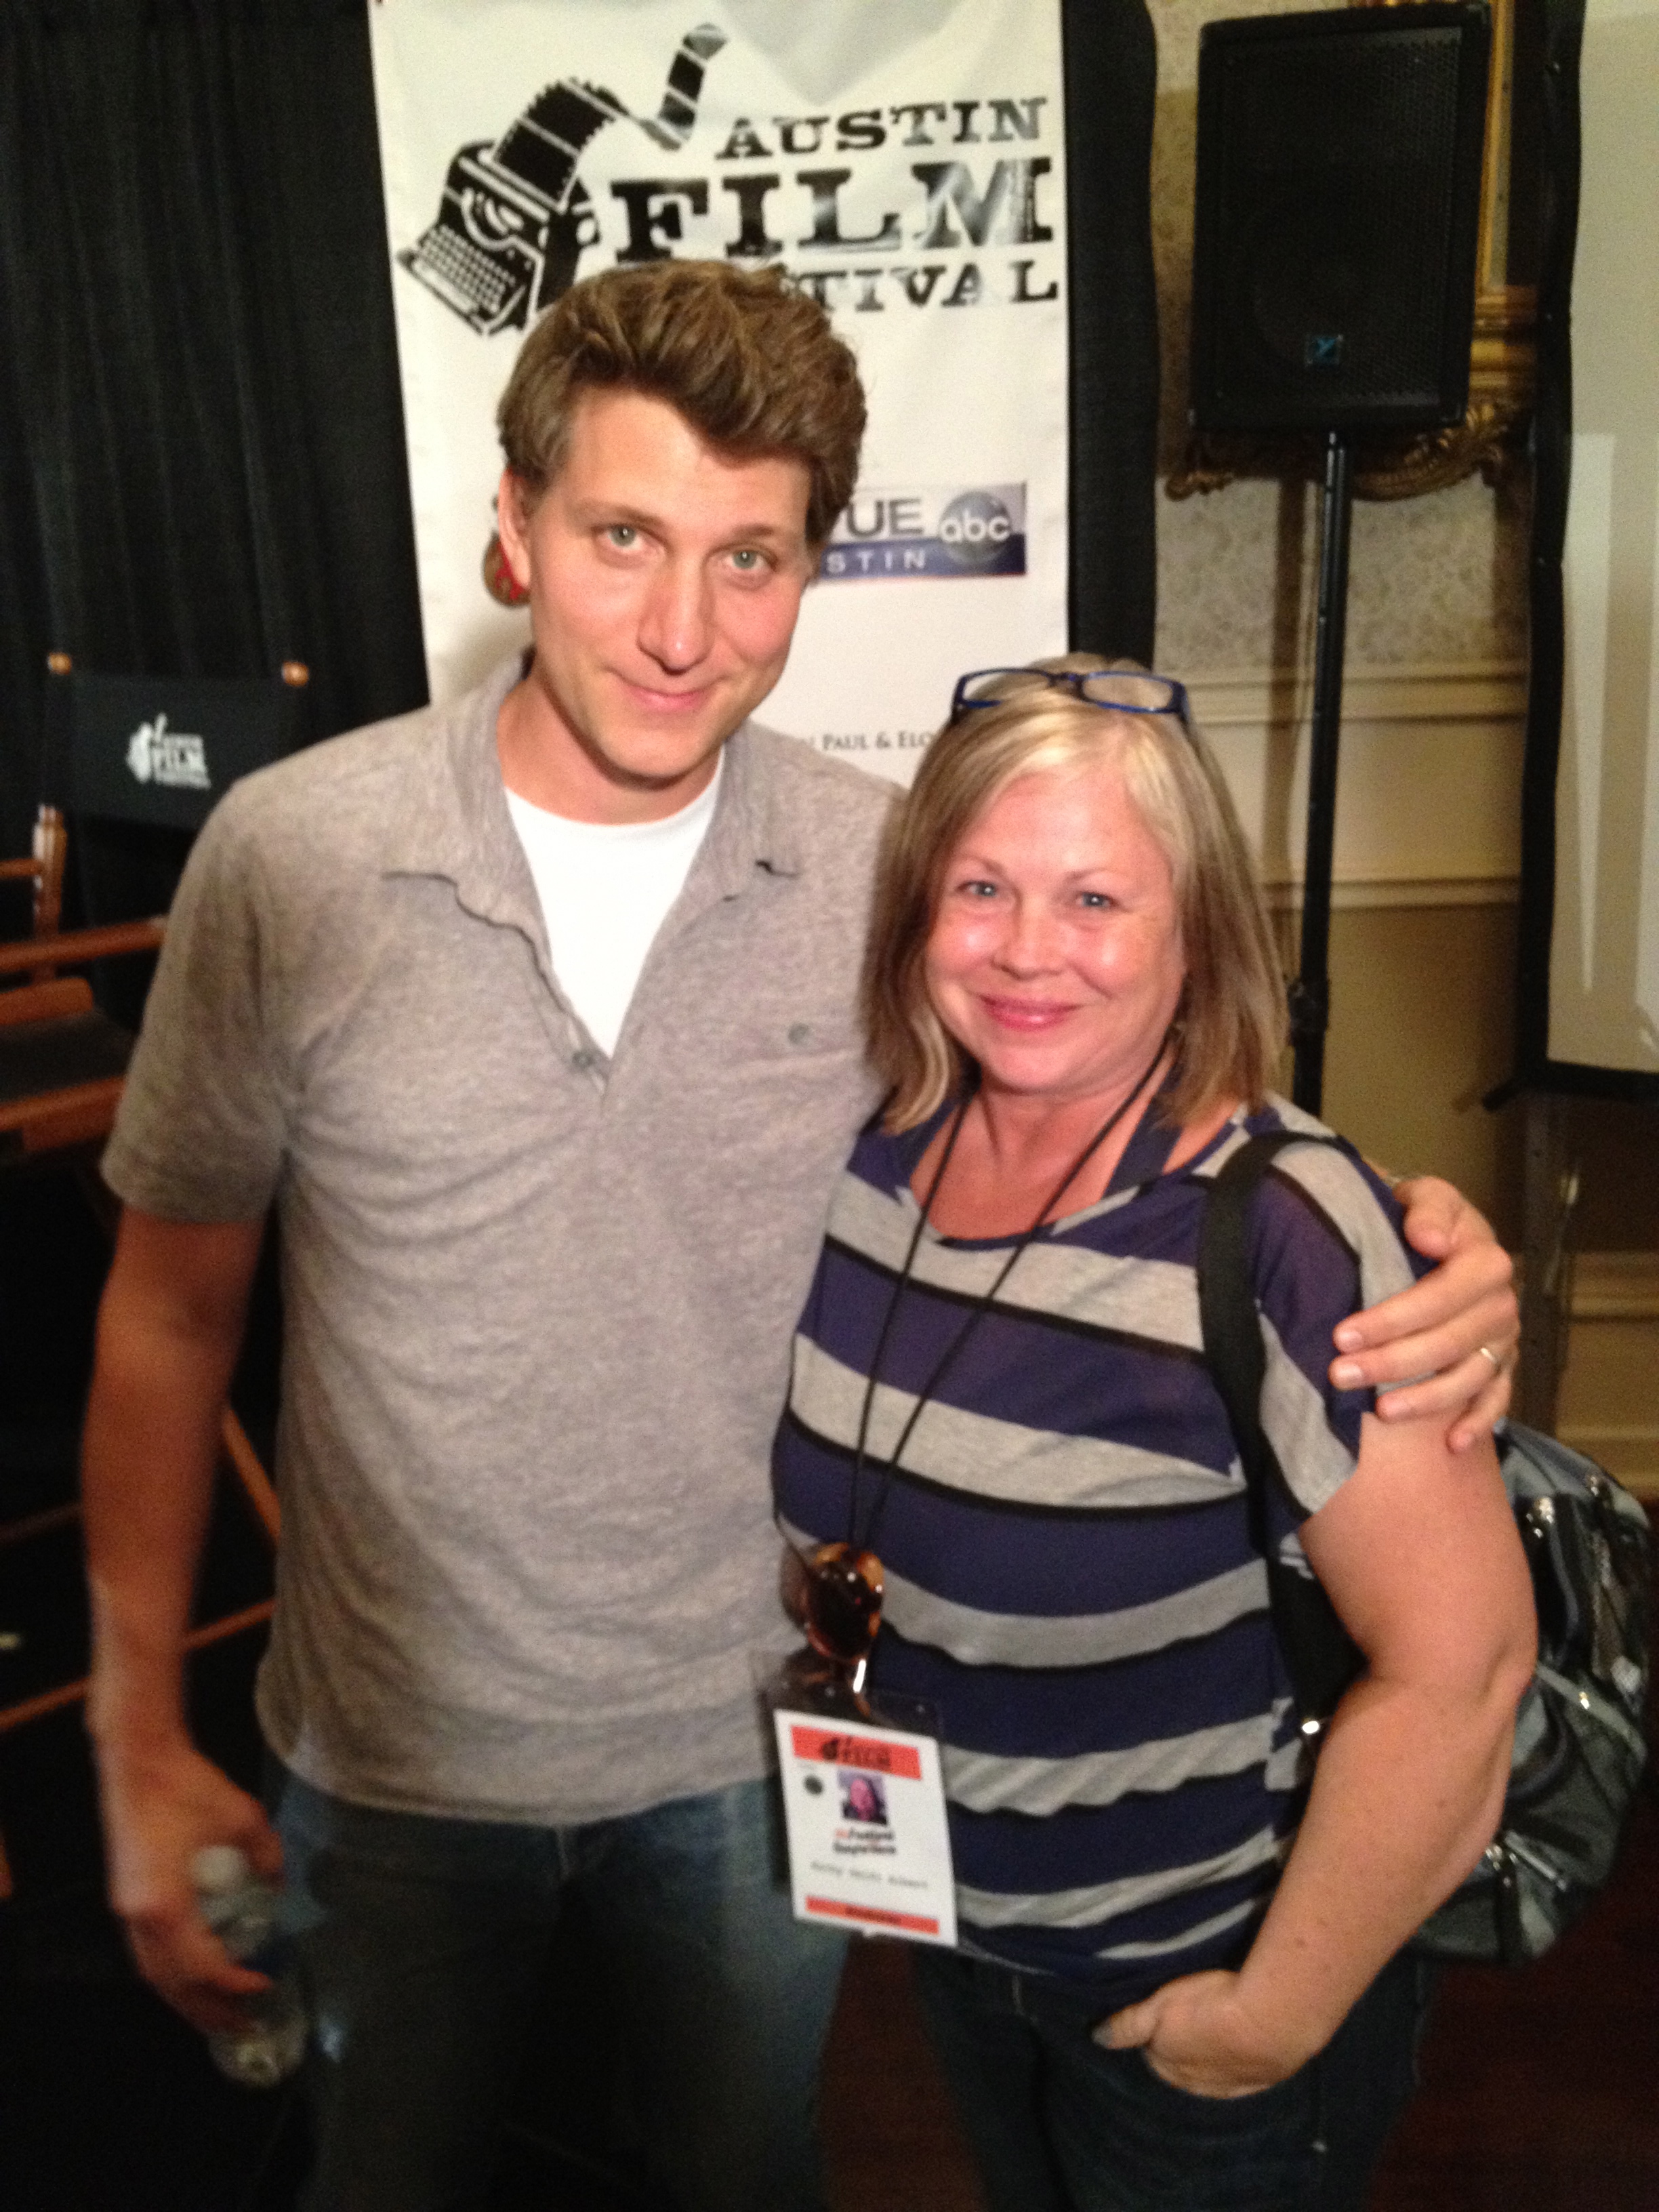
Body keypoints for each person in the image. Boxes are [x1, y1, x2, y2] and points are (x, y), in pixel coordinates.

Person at [81, 262, 1518, 2212]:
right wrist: (134, 1725)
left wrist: (1430, 1249)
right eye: (623, 538)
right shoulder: (292, 859)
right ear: (513, 532)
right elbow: (169, 1321)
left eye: (750, 560)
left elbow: (1131, 1095)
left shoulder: (887, 878)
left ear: (812, 574)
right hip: (388, 1760)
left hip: (758, 1772)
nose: (684, 630)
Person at [773, 659, 1537, 2212]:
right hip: (962, 1944)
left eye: (1098, 901)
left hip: (1198, 1979)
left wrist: (1276, 2016)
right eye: (981, 887)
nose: (1029, 952)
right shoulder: (871, 1155)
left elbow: (1463, 1671)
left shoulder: (1281, 1229)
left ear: (1196, 935)